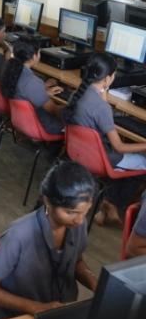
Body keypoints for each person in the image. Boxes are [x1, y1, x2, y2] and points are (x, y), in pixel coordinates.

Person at [0, 161, 98, 319]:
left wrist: (95, 283)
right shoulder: (19, 235)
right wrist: (36, 308)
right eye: (71, 212)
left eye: (85, 212)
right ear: (47, 201)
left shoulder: (77, 224)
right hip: (20, 318)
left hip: (61, 312)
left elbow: (76, 261)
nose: (80, 220)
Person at [63, 53, 146, 225]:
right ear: (108, 78)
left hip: (81, 153)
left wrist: (104, 93)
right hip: (102, 159)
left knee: (128, 160)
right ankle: (112, 204)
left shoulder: (78, 95)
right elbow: (119, 147)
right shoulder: (101, 108)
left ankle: (108, 204)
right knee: (143, 161)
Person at [0, 41, 64, 134]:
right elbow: (53, 110)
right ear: (34, 56)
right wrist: (73, 104)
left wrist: (43, 91)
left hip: (22, 122)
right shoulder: (32, 82)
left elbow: (25, 92)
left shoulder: (11, 71)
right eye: (39, 53)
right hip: (42, 125)